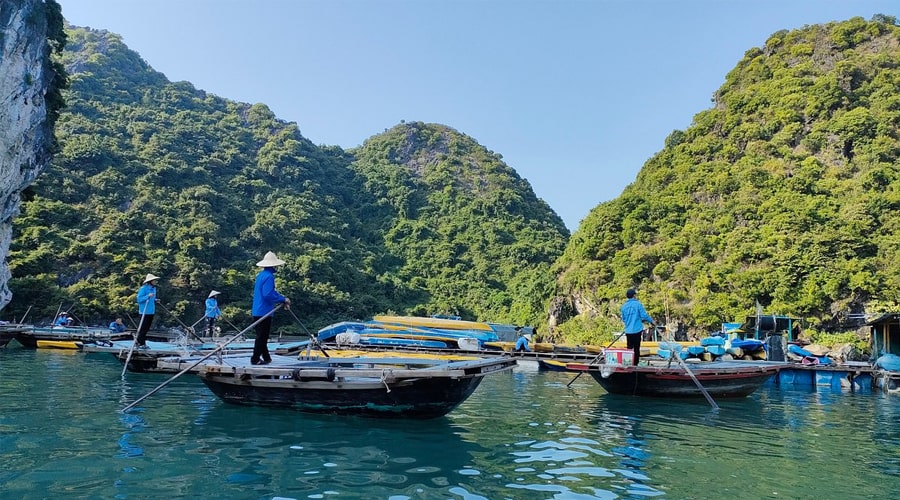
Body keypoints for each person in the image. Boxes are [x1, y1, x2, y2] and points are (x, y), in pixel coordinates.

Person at [251, 252, 291, 365]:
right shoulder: (269, 277)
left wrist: (281, 298)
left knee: (262, 336)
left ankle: (267, 358)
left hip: (257, 310)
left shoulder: (261, 276)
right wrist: (283, 299)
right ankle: (255, 359)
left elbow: (270, 292)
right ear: (273, 265)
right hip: (264, 311)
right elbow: (268, 294)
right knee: (262, 337)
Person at [620, 288, 655, 366]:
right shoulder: (638, 304)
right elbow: (644, 315)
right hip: (636, 330)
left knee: (629, 349)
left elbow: (624, 319)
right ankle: (635, 364)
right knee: (636, 348)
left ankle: (628, 363)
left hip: (628, 331)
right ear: (634, 296)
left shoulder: (624, 306)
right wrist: (652, 321)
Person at [135, 274, 160, 349]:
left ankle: (142, 343)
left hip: (151, 311)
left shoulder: (153, 289)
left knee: (146, 328)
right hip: (144, 312)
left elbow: (151, 300)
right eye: (154, 280)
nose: (155, 281)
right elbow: (139, 299)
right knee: (142, 328)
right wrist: (147, 296)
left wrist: (155, 300)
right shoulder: (144, 289)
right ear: (150, 281)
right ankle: (140, 343)